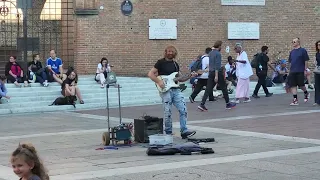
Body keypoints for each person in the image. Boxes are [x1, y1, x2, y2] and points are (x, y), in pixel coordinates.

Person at [147, 45, 196, 139]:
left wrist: (190, 76)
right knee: (167, 111)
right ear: (165, 52)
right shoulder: (160, 62)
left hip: (176, 89)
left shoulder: (175, 64)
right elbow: (150, 74)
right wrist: (159, 81)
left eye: (172, 51)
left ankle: (184, 130)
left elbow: (180, 79)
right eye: (168, 51)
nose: (170, 53)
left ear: (175, 53)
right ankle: (168, 132)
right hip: (166, 90)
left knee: (183, 109)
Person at [197, 41, 236, 111]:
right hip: (217, 73)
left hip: (211, 72)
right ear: (219, 46)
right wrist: (216, 76)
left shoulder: (210, 53)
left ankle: (202, 104)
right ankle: (228, 103)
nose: (221, 47)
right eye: (221, 46)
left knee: (208, 89)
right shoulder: (218, 54)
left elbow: (211, 64)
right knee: (224, 88)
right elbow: (217, 66)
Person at [287, 37, 310, 105]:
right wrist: (289, 70)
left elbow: (306, 61)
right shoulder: (292, 52)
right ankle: (295, 99)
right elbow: (290, 62)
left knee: (301, 85)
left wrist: (305, 70)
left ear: (298, 43)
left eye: (294, 42)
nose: (293, 43)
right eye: (292, 42)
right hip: (292, 71)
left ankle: (306, 93)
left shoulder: (303, 50)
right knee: (293, 85)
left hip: (300, 70)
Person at [313, 40, 320, 106]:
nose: (319, 46)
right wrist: (314, 62)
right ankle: (317, 101)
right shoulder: (317, 54)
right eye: (318, 45)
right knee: (317, 86)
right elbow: (315, 62)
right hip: (318, 71)